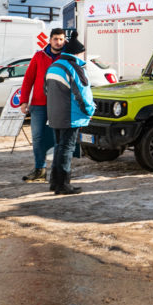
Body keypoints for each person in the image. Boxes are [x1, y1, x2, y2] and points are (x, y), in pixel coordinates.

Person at [44, 36, 95, 195]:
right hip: (70, 116)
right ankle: (63, 185)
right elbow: (82, 94)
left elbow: (46, 90)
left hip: (54, 115)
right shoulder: (74, 68)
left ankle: (54, 182)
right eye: (82, 54)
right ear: (78, 53)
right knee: (66, 149)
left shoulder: (54, 66)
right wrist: (90, 111)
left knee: (59, 147)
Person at [18, 27, 65, 182]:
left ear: (64, 40)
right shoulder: (39, 56)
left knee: (57, 139)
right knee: (38, 137)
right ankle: (40, 170)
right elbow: (28, 79)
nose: (58, 42)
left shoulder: (67, 58)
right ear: (50, 40)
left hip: (59, 105)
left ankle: (58, 171)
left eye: (61, 39)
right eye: (55, 39)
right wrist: (24, 100)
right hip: (38, 104)